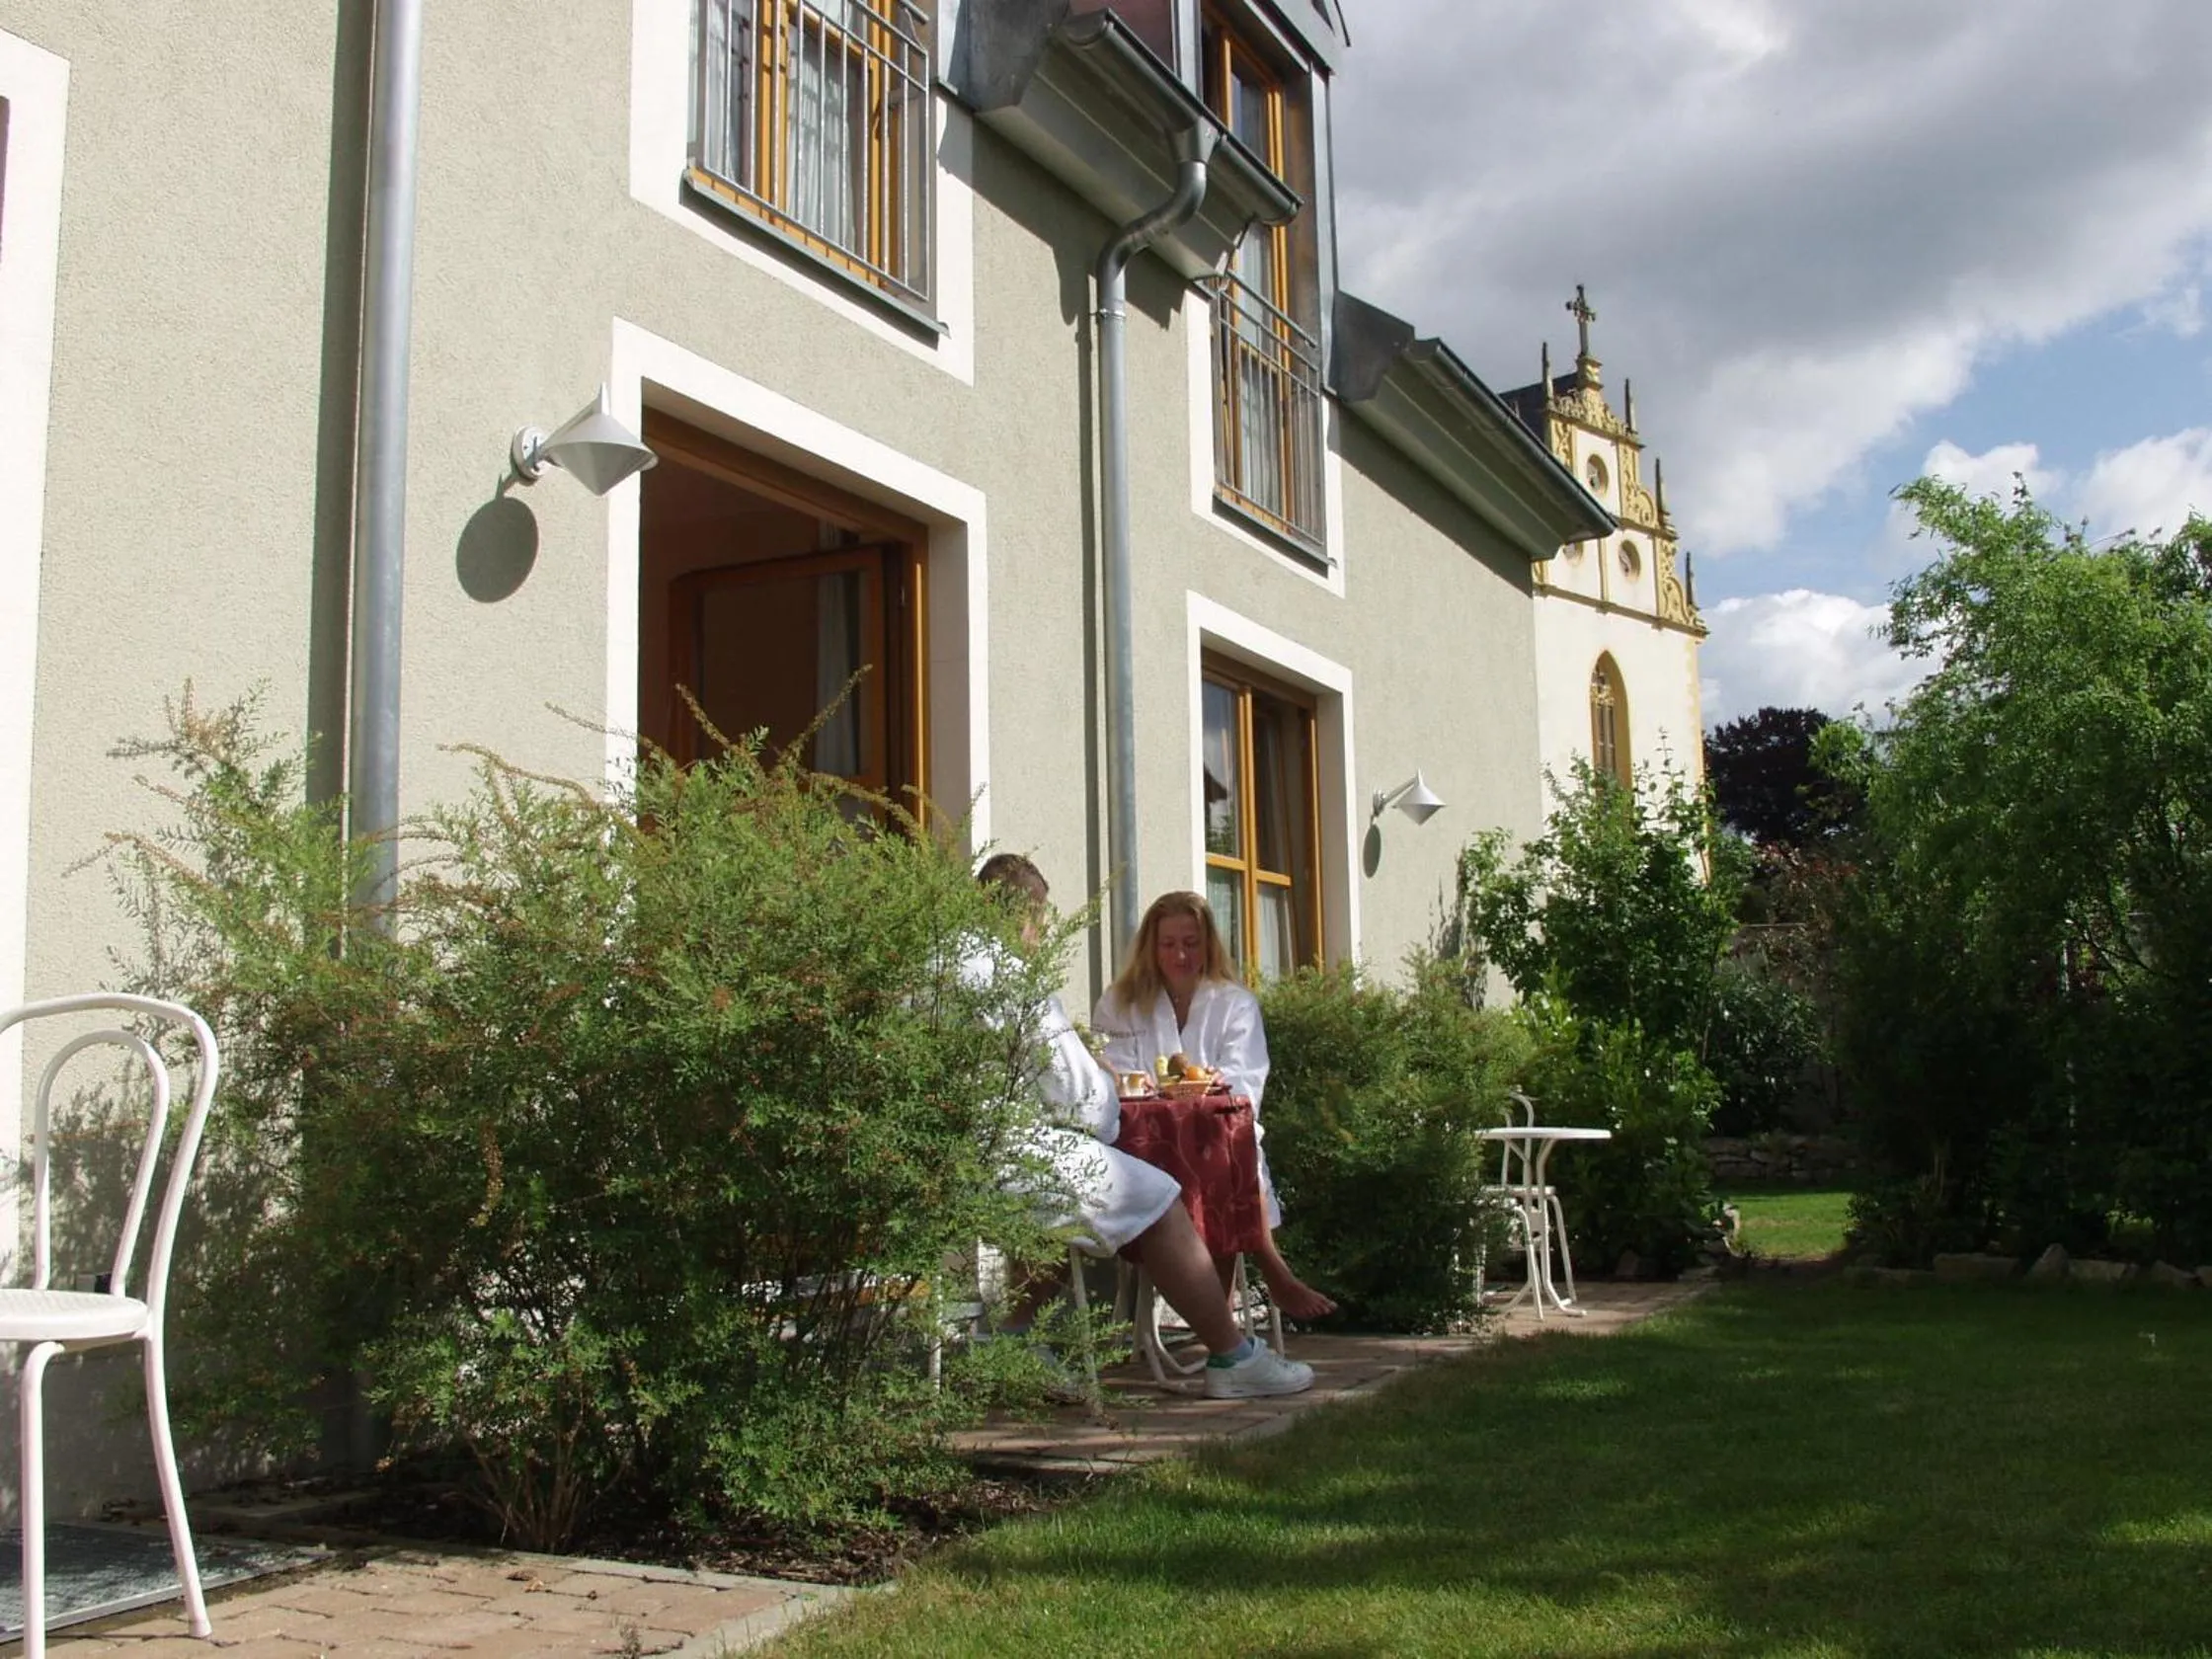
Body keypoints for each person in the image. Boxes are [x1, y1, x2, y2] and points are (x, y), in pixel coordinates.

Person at [969, 853, 1312, 1400]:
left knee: (1072, 1196)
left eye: (1191, 942)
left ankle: (1013, 1334)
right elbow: (1084, 1102)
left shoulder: (940, 965)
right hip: (1009, 1153)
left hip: (955, 1159)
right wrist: (1101, 1085)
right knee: (1155, 1196)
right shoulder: (1016, 980)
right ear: (1028, 916)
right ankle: (1232, 1355)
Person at [1092, 891, 1338, 1320]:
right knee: (1211, 1160)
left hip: (1217, 1139)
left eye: (1191, 942)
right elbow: (1112, 1075)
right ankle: (1267, 1279)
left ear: (1208, 944)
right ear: (1152, 947)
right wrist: (1138, 1083)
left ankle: (1222, 1320)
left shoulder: (1234, 1003)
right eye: (1169, 944)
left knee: (1225, 1149)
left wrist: (1208, 1085)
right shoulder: (1120, 1003)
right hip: (1143, 1144)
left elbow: (1245, 1084)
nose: (1180, 954)